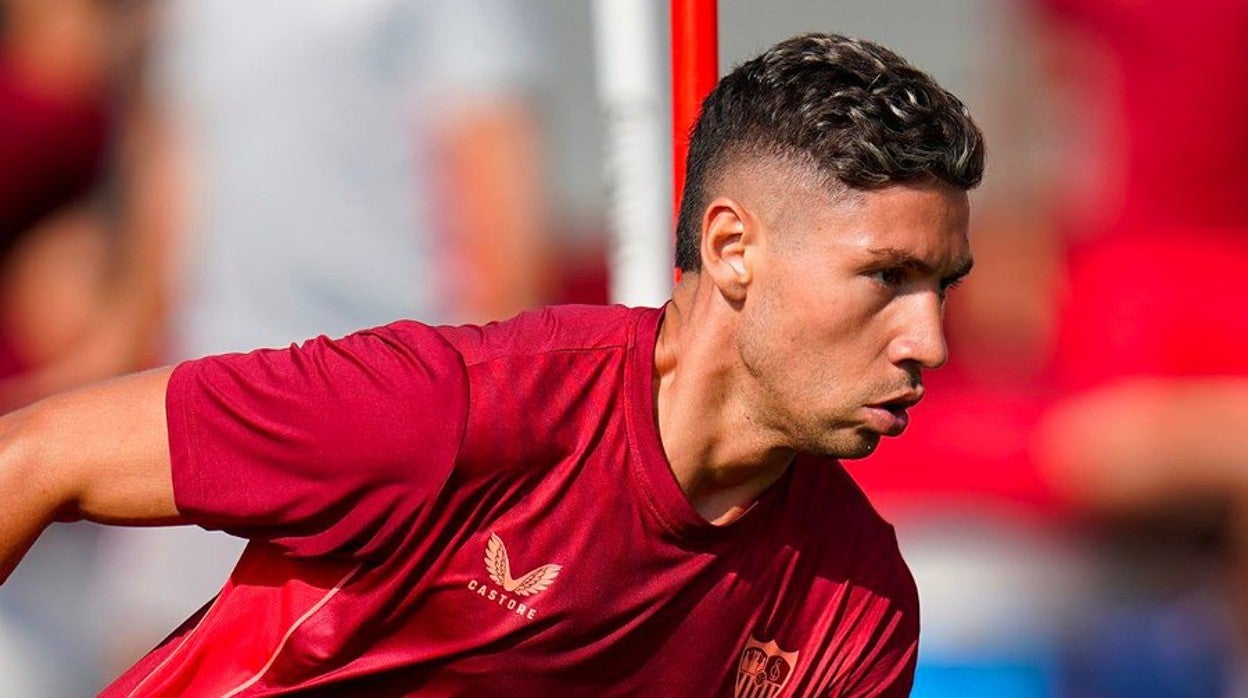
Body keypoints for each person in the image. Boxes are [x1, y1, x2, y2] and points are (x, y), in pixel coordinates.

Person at [0, 32, 983, 696]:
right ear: (732, 249)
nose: (928, 340)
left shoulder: (857, 609)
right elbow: (35, 454)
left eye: (942, 284)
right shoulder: (453, 407)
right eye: (887, 276)